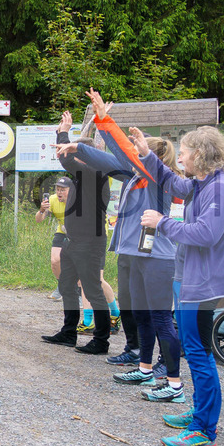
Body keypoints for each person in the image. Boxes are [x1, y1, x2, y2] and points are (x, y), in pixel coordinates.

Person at [136, 125, 224, 446]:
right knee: (196, 349)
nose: (179, 157)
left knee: (198, 352)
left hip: (204, 283)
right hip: (190, 279)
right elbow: (171, 181)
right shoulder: (202, 183)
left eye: (183, 152)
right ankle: (200, 413)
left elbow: (206, 234)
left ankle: (204, 431)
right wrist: (146, 154)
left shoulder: (221, 188)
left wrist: (162, 223)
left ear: (200, 154)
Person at [83, 89, 183, 399]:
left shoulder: (158, 177)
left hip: (157, 257)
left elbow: (123, 152)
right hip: (138, 253)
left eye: (139, 152)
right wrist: (83, 139)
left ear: (150, 157)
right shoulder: (139, 176)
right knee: (142, 315)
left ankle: (174, 383)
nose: (133, 155)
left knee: (160, 318)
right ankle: (144, 368)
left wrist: (104, 119)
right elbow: (113, 156)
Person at [41, 111, 112, 353]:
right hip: (72, 242)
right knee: (66, 286)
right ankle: (69, 332)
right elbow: (67, 160)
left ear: (87, 156)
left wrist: (64, 133)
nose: (72, 155)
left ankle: (101, 341)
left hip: (89, 244)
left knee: (92, 291)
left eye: (76, 152)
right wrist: (62, 134)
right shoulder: (82, 177)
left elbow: (66, 160)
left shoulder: (96, 174)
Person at [35, 177, 73, 300]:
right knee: (55, 261)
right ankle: (61, 286)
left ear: (71, 190)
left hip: (78, 233)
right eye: (57, 189)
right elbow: (38, 220)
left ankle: (78, 292)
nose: (59, 193)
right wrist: (42, 210)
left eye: (63, 190)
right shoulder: (52, 199)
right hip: (62, 231)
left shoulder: (77, 200)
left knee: (77, 262)